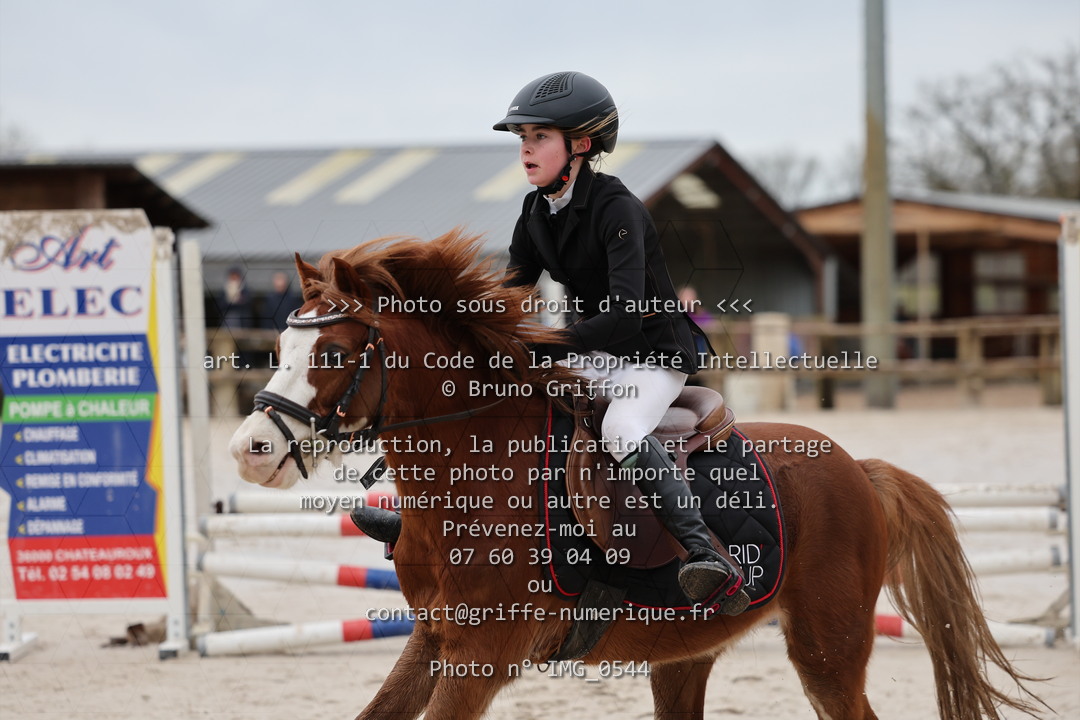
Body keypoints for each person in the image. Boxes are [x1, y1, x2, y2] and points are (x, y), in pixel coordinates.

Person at [494, 71, 749, 615]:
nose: (526, 149)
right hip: (597, 350)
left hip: (653, 353)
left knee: (620, 428)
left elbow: (628, 313)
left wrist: (551, 344)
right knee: (520, 401)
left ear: (581, 145)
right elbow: (510, 295)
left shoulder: (618, 208)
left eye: (540, 136)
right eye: (522, 138)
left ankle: (706, 554)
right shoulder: (534, 212)